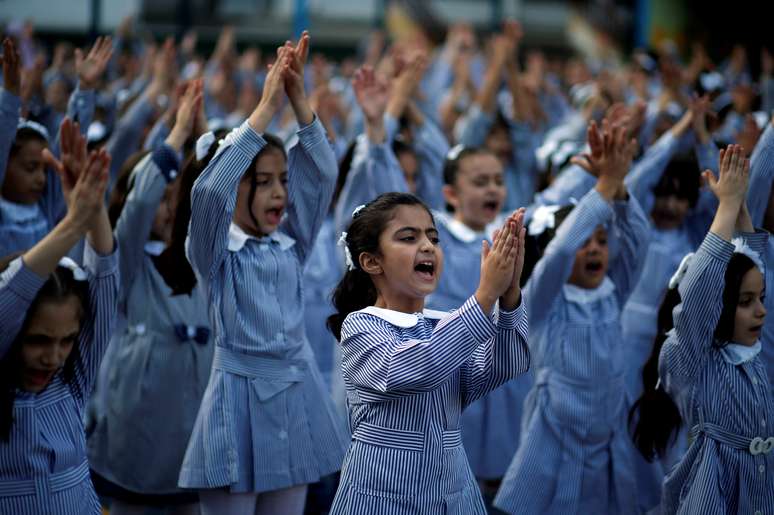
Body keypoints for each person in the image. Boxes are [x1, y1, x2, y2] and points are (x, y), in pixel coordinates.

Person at [178, 34, 348, 515]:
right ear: (238, 186)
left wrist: (298, 98)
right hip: (236, 404)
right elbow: (209, 192)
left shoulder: (291, 243)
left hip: (296, 396)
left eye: (282, 181)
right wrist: (266, 107)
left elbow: (321, 175)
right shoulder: (216, 250)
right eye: (262, 181)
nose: (279, 194)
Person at [328, 192, 530, 514]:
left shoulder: (445, 322)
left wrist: (508, 297)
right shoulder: (361, 327)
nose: (427, 246)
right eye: (408, 237)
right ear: (371, 261)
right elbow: (419, 368)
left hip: (453, 495)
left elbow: (506, 364)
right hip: (384, 497)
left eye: (432, 237)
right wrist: (485, 295)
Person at [495, 120, 650, 514]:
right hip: (556, 435)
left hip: (609, 434)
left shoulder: (612, 292)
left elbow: (638, 242)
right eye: (586, 241)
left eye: (601, 240)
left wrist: (619, 192)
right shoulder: (545, 299)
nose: (594, 249)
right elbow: (561, 253)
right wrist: (601, 189)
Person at [85, 81, 213, 515]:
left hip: (192, 440)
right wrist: (175, 138)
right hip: (134, 442)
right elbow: (138, 207)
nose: (168, 209)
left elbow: (218, 198)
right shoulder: (127, 264)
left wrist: (204, 137)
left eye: (176, 200)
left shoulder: (205, 263)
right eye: (162, 198)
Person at [0, 119, 117, 514]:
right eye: (37, 340)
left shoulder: (73, 381)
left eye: (66, 340)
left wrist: (93, 207)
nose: (53, 357)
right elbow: (11, 295)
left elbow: (104, 277)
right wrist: (71, 225)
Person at [659, 144, 774, 513]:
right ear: (719, 308)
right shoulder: (693, 357)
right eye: (745, 303)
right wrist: (724, 209)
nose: (760, 312)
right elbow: (700, 293)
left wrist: (739, 206)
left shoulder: (753, 352)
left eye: (761, 299)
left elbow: (752, 260)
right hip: (715, 491)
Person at [426, 145, 533, 498]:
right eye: (480, 182)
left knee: (502, 477)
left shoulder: (512, 237)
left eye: (499, 181)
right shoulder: (434, 239)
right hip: (453, 370)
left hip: (500, 376)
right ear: (451, 194)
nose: (492, 189)